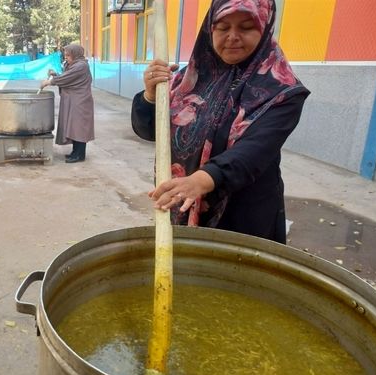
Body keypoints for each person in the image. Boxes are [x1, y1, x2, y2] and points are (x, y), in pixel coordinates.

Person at [131, 0, 310, 244]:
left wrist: (200, 180)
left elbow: (253, 153)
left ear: (265, 27)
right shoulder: (188, 79)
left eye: (246, 27)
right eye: (223, 27)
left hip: (241, 215)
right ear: (209, 29)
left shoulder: (283, 91)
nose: (233, 36)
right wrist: (150, 96)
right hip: (184, 202)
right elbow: (150, 131)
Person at [41, 44, 95, 163]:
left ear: (76, 54)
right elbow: (67, 78)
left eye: (68, 55)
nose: (66, 57)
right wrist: (55, 75)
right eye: (65, 55)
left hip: (80, 101)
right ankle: (75, 152)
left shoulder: (81, 66)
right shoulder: (73, 64)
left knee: (79, 128)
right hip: (73, 100)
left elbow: (67, 78)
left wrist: (49, 82)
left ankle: (80, 155)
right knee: (73, 127)